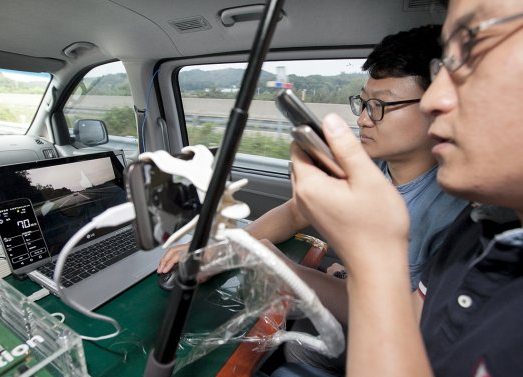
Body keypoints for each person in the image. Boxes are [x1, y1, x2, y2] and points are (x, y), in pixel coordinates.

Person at [276, 0, 523, 377]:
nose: (435, 100)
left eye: (474, 48)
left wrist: (365, 262)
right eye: (446, 67)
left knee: (291, 364)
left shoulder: (454, 209)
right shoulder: (479, 224)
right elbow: (413, 319)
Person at [159, 24, 467, 291]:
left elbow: (418, 325)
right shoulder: (369, 165)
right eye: (363, 103)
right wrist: (221, 250)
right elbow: (297, 212)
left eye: (381, 105)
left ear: (438, 106)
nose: (362, 120)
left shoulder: (456, 216)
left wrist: (297, 275)